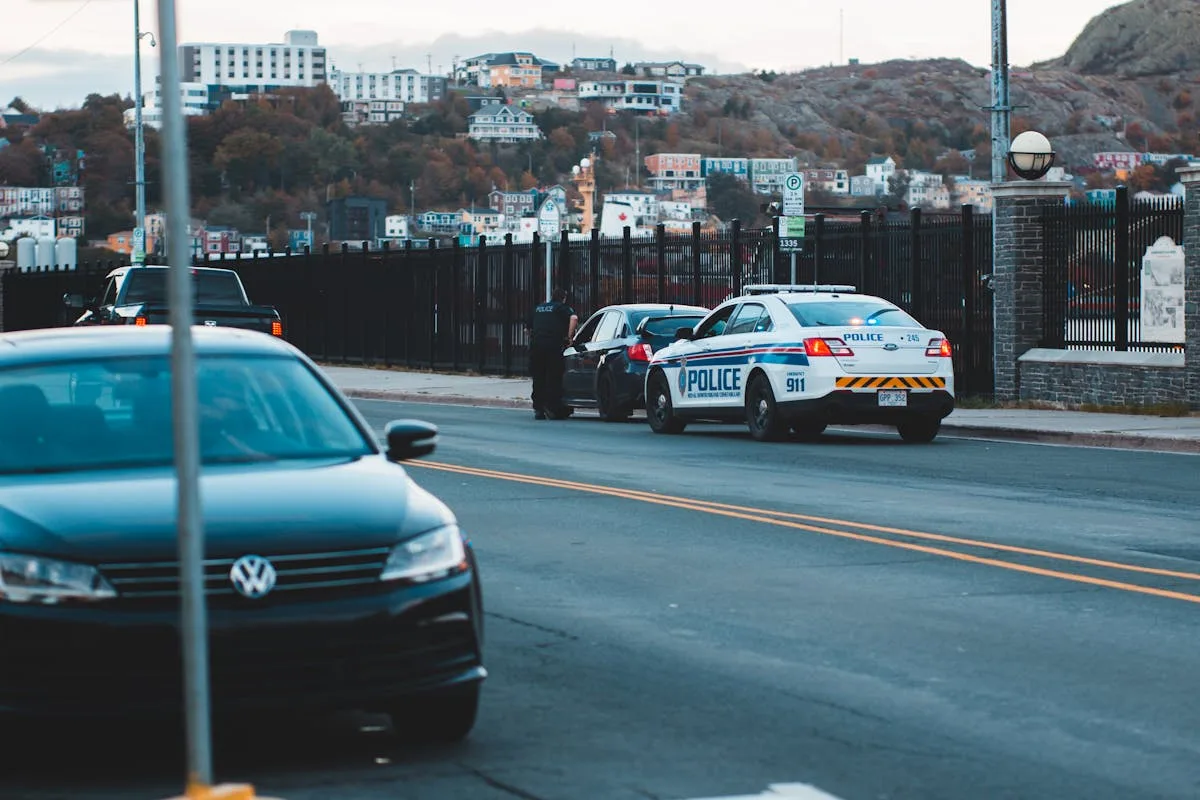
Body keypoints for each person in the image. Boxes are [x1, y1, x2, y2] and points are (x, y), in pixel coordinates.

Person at [526, 287, 578, 420]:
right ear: (563, 298)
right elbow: (574, 318)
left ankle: (538, 408)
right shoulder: (561, 308)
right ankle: (552, 407)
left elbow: (527, 329)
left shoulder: (539, 308)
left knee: (538, 377)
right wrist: (569, 337)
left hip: (537, 346)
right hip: (553, 346)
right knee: (553, 377)